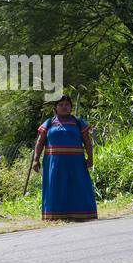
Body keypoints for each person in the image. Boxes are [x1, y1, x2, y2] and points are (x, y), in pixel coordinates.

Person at [33, 94, 97, 222]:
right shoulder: (49, 123)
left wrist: (90, 158)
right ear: (56, 107)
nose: (64, 107)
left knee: (79, 186)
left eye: (67, 104)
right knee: (55, 187)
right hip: (54, 163)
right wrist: (36, 159)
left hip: (76, 162)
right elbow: (40, 141)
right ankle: (55, 216)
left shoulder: (78, 122)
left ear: (71, 107)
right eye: (61, 105)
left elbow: (87, 141)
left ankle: (81, 215)